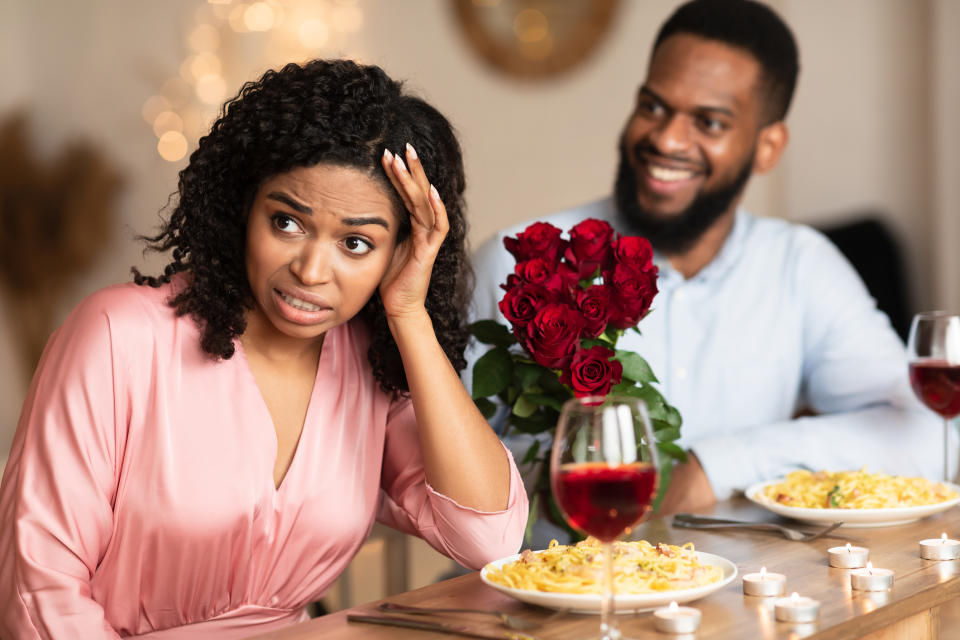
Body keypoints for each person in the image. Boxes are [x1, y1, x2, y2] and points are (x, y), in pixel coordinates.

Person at [0, 59, 527, 638]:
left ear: (397, 252)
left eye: (356, 243)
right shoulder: (116, 335)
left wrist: (408, 314)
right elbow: (39, 586)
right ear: (243, 206)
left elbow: (489, 539)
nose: (311, 269)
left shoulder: (370, 365)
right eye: (287, 222)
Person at [468, 0, 946, 523]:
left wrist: (718, 465)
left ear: (768, 147)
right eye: (652, 106)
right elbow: (431, 470)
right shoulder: (516, 262)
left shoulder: (800, 266)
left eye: (709, 122)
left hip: (731, 596)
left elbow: (925, 434)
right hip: (536, 590)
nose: (667, 138)